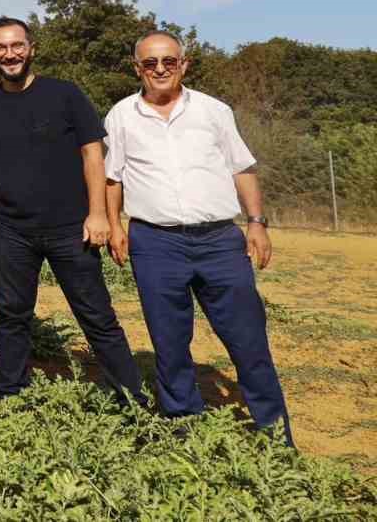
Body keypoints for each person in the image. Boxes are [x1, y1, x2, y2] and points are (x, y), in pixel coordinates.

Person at [104, 31, 292, 443]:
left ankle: (276, 438)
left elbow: (242, 168)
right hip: (155, 244)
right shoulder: (120, 116)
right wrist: (115, 225)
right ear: (137, 69)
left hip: (220, 242)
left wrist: (256, 222)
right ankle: (184, 435)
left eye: (168, 61)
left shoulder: (214, 111)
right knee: (169, 346)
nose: (160, 70)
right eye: (150, 63)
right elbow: (112, 177)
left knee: (249, 342)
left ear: (184, 65)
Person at [0, 16, 146, 403]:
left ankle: (131, 400)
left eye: (16, 45)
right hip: (12, 230)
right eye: (0, 47)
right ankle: (11, 395)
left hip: (71, 227)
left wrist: (97, 213)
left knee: (97, 316)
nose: (9, 54)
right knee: (12, 317)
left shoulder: (65, 94)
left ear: (31, 48)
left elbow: (92, 153)